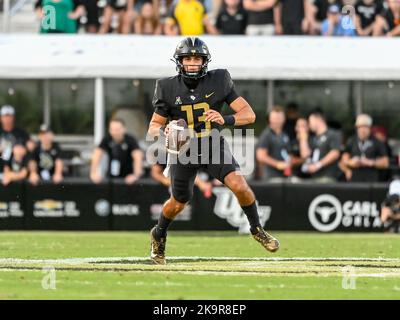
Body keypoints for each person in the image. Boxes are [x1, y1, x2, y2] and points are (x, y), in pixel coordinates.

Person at [147, 37, 280, 264]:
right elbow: (153, 128)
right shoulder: (167, 87)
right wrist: (166, 130)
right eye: (187, 58)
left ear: (204, 61)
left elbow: (249, 115)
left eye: (196, 58)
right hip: (183, 149)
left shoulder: (219, 80)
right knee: (179, 202)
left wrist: (225, 118)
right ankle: (158, 234)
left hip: (211, 142)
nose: (192, 63)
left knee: (239, 184)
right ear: (179, 61)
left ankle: (257, 229)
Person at [90, 118, 143, 184]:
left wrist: (135, 175)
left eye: (117, 129)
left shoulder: (130, 140)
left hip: (128, 178)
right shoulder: (107, 139)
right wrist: (93, 173)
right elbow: (97, 154)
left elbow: (137, 157)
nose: (115, 132)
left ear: (124, 129)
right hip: (112, 176)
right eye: (112, 129)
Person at [341, 114, 389, 182]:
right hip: (354, 179)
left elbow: (385, 162)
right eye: (360, 127)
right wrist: (350, 164)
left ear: (370, 128)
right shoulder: (351, 141)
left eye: (365, 127)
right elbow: (343, 160)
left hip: (372, 180)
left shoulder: (377, 142)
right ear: (356, 128)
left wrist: (371, 162)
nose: (362, 130)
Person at [301, 109, 341, 183]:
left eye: (310, 121)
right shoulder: (313, 138)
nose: (309, 125)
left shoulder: (332, 134)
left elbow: (335, 153)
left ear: (318, 119)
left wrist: (318, 165)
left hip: (328, 176)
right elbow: (305, 155)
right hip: (314, 178)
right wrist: (303, 138)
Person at [256, 106, 292, 182]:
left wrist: (289, 163)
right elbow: (260, 156)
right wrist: (277, 164)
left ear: (284, 119)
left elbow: (288, 153)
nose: (277, 120)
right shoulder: (266, 135)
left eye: (280, 117)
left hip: (285, 176)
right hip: (271, 177)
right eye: (275, 118)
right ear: (270, 119)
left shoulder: (284, 135)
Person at [0, 105, 32, 178]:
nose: (7, 119)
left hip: (16, 168)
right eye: (5, 116)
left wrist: (27, 148)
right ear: (1, 118)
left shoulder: (21, 133)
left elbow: (30, 147)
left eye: (9, 116)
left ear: (13, 117)